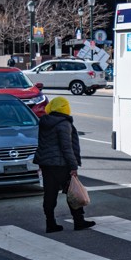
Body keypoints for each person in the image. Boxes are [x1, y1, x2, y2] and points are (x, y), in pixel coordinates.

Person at [33, 97, 95, 233]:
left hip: (46, 164)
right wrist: (73, 166)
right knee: (73, 192)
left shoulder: (44, 122)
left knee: (49, 194)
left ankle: (50, 223)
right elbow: (67, 147)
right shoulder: (64, 124)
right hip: (61, 165)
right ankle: (79, 221)